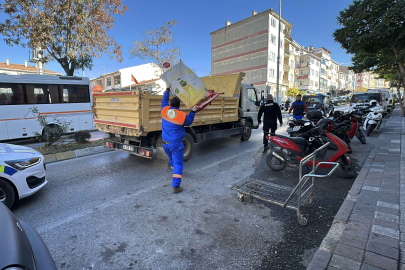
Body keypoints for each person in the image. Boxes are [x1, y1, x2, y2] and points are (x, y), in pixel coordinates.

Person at [161, 85, 197, 194]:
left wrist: (167, 89)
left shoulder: (164, 111)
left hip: (165, 144)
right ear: (179, 106)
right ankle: (176, 186)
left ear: (170, 105)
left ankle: (174, 171)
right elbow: (189, 121)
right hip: (176, 144)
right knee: (178, 163)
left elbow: (164, 101)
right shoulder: (181, 115)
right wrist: (193, 111)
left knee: (172, 160)